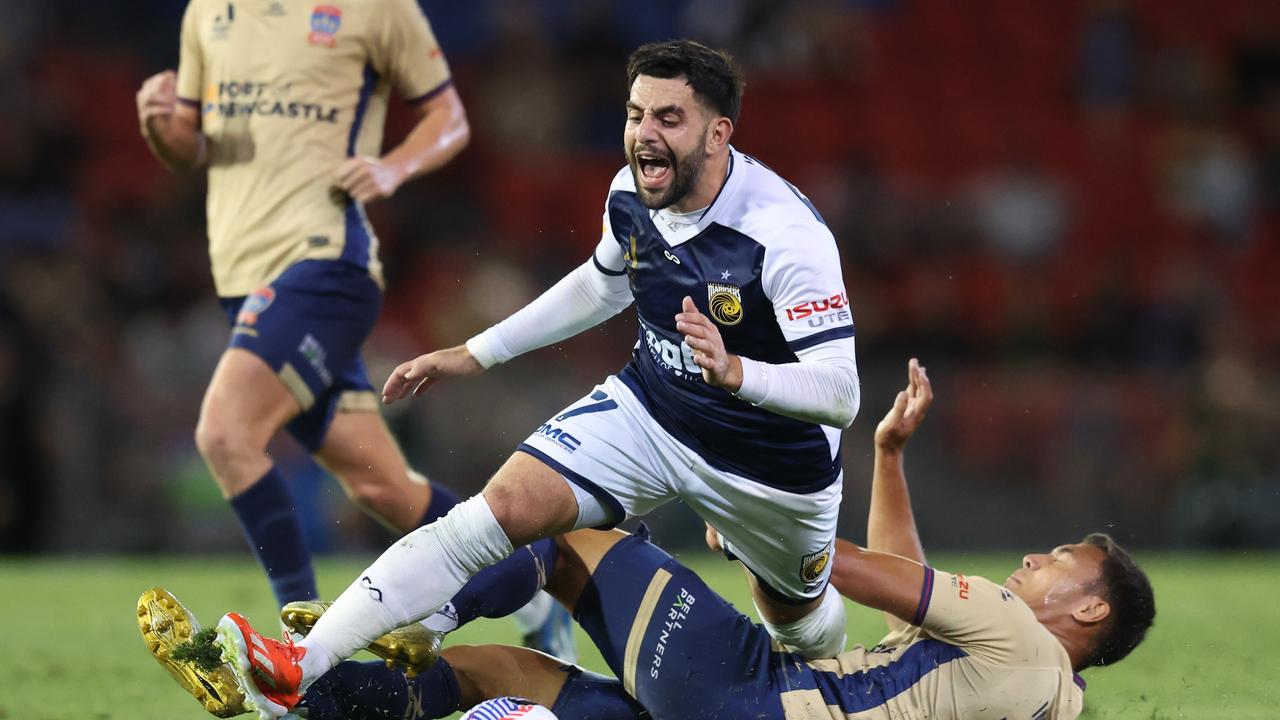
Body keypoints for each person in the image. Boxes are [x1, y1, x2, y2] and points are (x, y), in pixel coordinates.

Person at [211, 37, 863, 717]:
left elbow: (839, 394)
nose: (644, 135)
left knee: (802, 629)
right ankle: (298, 669)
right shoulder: (630, 194)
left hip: (770, 468)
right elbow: (602, 286)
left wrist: (738, 374)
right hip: (655, 411)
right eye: (636, 114)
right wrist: (474, 352)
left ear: (718, 131)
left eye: (669, 118)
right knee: (493, 516)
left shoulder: (784, 235)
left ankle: (836, 679)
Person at [145, 359, 1154, 719]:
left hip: (755, 699)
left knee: (575, 531)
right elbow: (907, 582)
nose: (1032, 560)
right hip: (756, 715)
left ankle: (385, 617)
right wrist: (886, 458)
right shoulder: (1043, 697)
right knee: (501, 675)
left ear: (1090, 606)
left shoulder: (1010, 628)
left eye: (1057, 559)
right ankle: (299, 707)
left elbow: (831, 567)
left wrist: (755, 516)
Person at [133, 2, 568, 714]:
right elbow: (191, 148)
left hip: (322, 269)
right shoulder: (207, 14)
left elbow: (448, 117)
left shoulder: (374, 11)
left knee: (225, 434)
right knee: (384, 488)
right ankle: (529, 580)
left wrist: (394, 168)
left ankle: (294, 663)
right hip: (244, 281)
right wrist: (161, 124)